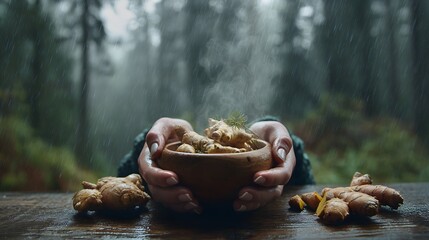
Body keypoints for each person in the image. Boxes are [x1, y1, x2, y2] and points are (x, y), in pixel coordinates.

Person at [118, 116, 314, 214]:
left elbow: (304, 183)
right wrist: (151, 155)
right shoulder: (194, 143)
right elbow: (121, 179)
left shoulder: (241, 140)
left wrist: (282, 153)